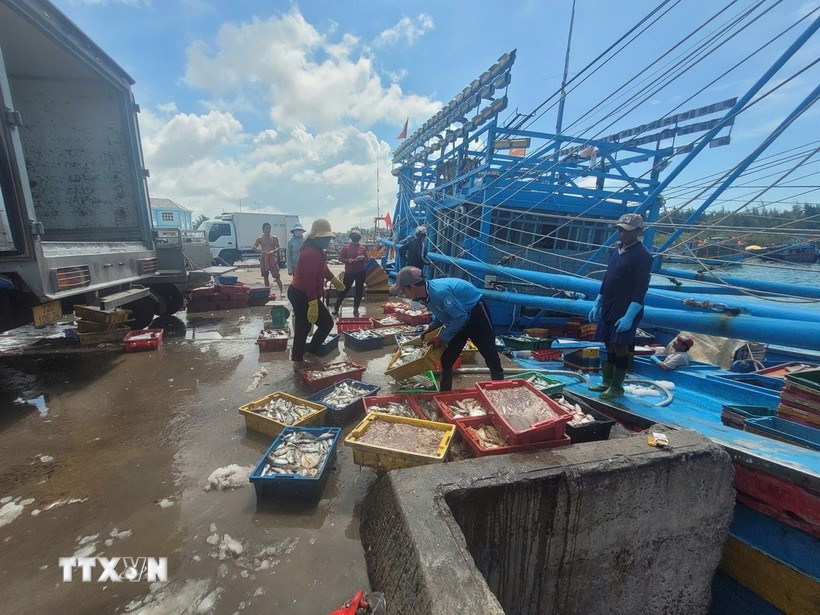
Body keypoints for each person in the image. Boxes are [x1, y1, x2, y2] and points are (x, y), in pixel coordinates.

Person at [391, 266, 503, 391]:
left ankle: (499, 388)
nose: (403, 294)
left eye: (403, 290)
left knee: (489, 353)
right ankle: (444, 394)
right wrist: (432, 327)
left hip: (475, 312)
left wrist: (442, 337)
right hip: (458, 317)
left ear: (411, 287)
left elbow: (461, 317)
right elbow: (443, 314)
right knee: (447, 359)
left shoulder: (439, 292)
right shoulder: (424, 296)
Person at [588, 213, 652, 398]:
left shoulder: (643, 255)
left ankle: (617, 386)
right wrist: (598, 301)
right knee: (608, 344)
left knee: (620, 346)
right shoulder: (615, 250)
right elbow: (608, 278)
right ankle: (606, 381)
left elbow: (641, 287)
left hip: (626, 308)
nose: (622, 234)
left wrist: (630, 315)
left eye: (627, 231)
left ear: (639, 232)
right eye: (620, 230)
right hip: (609, 304)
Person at [288, 219, 346, 368]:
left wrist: (333, 279)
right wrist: (312, 303)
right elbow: (309, 281)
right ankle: (303, 359)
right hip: (302, 294)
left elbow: (323, 268)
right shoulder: (311, 253)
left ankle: (304, 356)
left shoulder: (317, 251)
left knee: (306, 326)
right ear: (317, 238)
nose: (328, 240)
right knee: (321, 323)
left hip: (303, 293)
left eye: (329, 237)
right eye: (326, 238)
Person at [333, 228, 369, 317]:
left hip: (360, 272)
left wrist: (362, 258)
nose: (355, 237)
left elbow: (366, 260)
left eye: (357, 236)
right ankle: (336, 308)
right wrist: (348, 260)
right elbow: (340, 258)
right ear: (351, 237)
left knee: (359, 291)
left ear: (359, 238)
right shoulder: (346, 247)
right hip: (349, 272)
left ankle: (356, 309)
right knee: (344, 290)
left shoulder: (363, 248)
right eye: (353, 236)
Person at [253, 223, 283, 295]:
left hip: (272, 258)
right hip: (264, 258)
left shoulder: (274, 238)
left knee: (277, 275)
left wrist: (274, 251)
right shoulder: (260, 238)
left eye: (269, 228)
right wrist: (260, 251)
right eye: (266, 228)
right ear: (263, 229)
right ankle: (267, 293)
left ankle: (282, 291)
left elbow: (278, 247)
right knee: (265, 275)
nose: (268, 230)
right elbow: (253, 247)